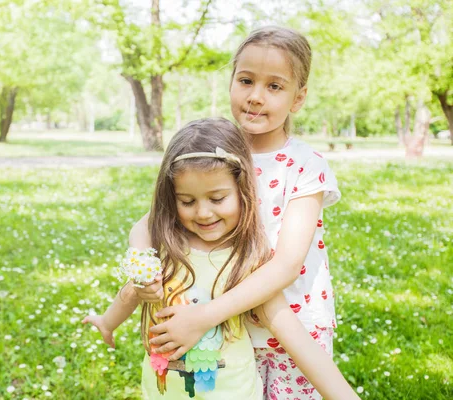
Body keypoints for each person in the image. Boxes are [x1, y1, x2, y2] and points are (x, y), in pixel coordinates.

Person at [130, 26, 344, 399]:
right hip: (229, 328)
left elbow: (287, 264)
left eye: (275, 86)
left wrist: (203, 316)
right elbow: (149, 223)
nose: (256, 97)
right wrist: (143, 264)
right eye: (246, 80)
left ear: (298, 97)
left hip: (291, 321)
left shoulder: (305, 165)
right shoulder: (213, 155)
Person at [83, 118, 358, 399]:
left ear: (244, 191)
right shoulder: (168, 252)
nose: (203, 213)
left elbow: (293, 335)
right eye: (187, 202)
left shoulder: (246, 264)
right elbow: (131, 294)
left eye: (217, 199)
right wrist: (107, 321)